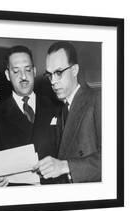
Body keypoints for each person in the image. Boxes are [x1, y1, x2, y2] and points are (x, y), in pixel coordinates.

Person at [0, 45, 60, 186]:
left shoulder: (57, 107)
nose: (23, 77)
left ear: (35, 71)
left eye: (28, 70)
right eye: (16, 71)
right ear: (7, 75)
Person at [34, 41, 101, 183]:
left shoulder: (97, 99)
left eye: (58, 73)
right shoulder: (61, 109)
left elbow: (117, 160)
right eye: (49, 75)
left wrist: (66, 166)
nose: (53, 81)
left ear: (75, 70)